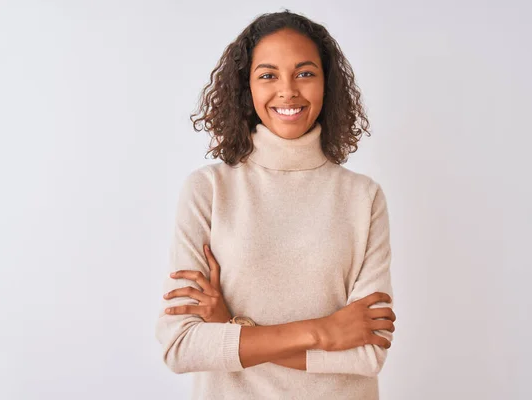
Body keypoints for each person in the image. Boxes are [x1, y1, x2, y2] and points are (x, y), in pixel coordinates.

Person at [155, 9, 397, 400]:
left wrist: (235, 331)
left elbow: (368, 353)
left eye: (305, 73)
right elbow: (180, 346)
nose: (288, 91)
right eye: (268, 75)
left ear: (326, 84)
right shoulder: (208, 191)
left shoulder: (363, 198)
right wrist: (323, 332)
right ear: (246, 88)